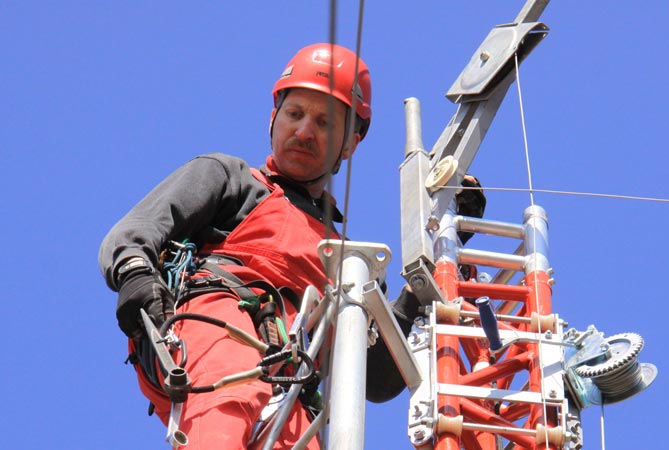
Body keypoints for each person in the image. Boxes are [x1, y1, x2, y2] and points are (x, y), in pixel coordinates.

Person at [99, 43, 485, 450]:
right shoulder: (233, 181)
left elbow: (376, 376)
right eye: (295, 114)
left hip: (291, 381)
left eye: (325, 123)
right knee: (233, 397)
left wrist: (445, 244)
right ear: (273, 117)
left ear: (350, 144)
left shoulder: (352, 261)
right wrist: (136, 277)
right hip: (218, 326)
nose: (303, 132)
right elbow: (131, 236)